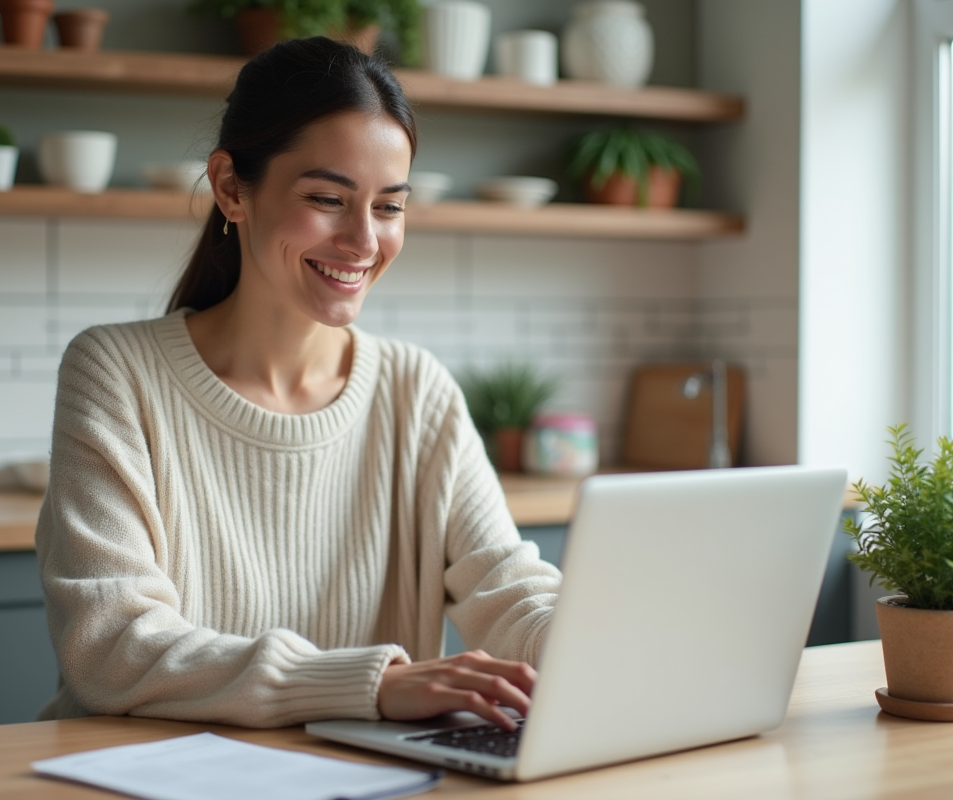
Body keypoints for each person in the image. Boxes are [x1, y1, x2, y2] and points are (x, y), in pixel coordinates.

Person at [34, 37, 561, 732]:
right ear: (230, 187)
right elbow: (112, 647)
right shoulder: (117, 373)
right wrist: (375, 684)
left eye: (389, 208)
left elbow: (506, 585)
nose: (364, 242)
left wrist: (590, 642)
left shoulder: (416, 390)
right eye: (327, 199)